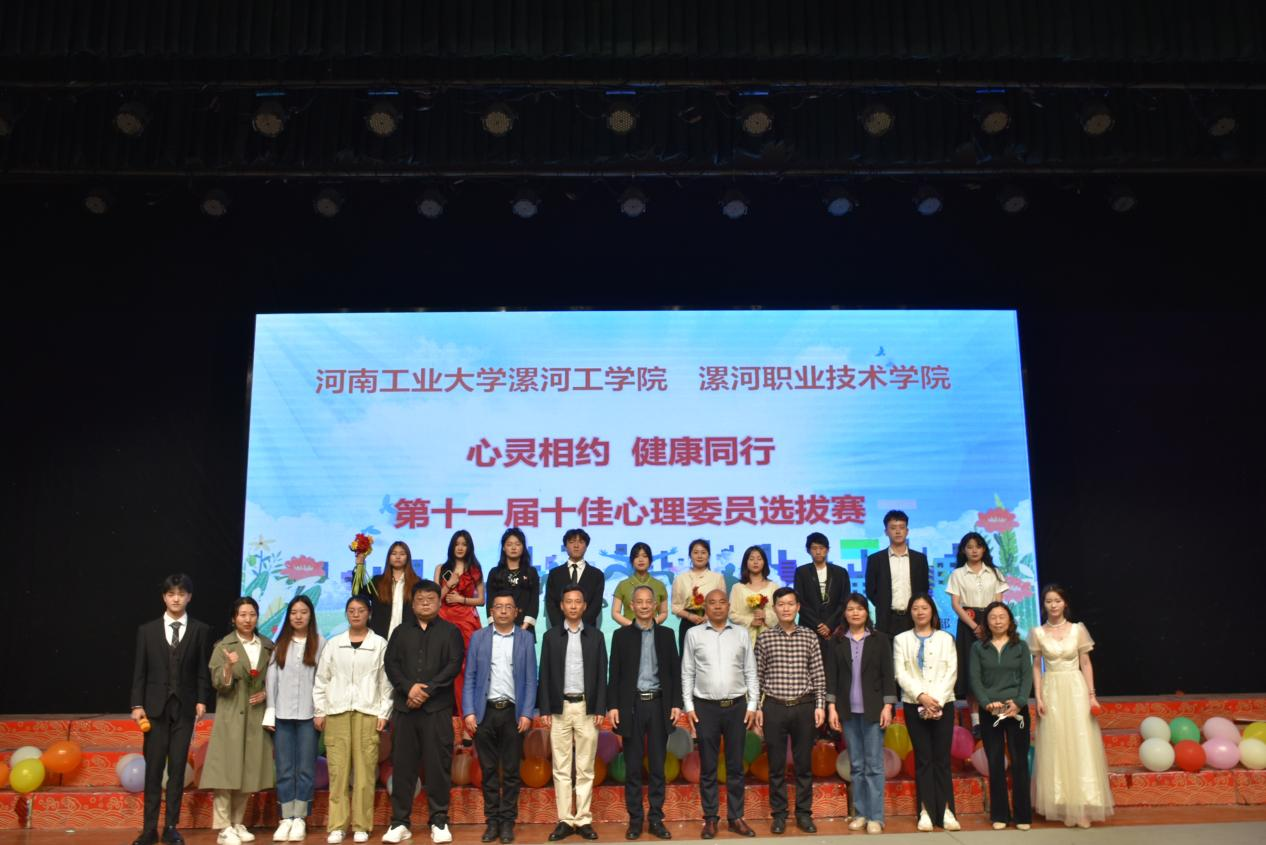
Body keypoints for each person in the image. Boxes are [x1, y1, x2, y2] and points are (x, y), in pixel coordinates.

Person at [128, 574, 213, 845]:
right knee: (153, 769)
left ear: (189, 597)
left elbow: (202, 669)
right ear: (164, 597)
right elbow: (140, 671)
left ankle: (171, 827)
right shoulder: (147, 631)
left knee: (177, 769)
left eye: (181, 594)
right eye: (171, 594)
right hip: (154, 708)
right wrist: (137, 704)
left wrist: (202, 699)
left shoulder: (200, 630)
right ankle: (149, 829)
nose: (176, 598)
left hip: (185, 708)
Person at [383, 581, 466, 845]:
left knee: (437, 766)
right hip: (405, 709)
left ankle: (439, 821)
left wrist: (427, 690)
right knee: (403, 766)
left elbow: (453, 665)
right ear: (413, 603)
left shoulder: (450, 632)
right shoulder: (400, 632)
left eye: (431, 598)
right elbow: (390, 664)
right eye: (420, 598)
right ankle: (400, 822)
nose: (426, 602)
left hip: (436, 710)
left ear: (439, 602)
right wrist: (409, 688)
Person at [1029, 584, 1113, 829]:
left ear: (1064, 603)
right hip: (1052, 690)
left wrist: (1091, 695)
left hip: (1076, 690)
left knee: (1080, 743)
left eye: (1057, 600)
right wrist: (1038, 697)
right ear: (1043, 605)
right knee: (1056, 744)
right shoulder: (1037, 633)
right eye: (1048, 601)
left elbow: (1085, 663)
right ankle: (1063, 804)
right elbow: (1036, 667)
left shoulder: (1078, 630)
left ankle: (1084, 805)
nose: (1053, 605)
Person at [681, 589, 759, 840]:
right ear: (705, 607)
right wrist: (689, 706)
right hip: (705, 708)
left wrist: (752, 704)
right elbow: (687, 671)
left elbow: (750, 670)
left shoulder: (741, 633)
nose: (717, 607)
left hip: (737, 707)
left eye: (721, 602)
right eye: (712, 603)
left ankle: (736, 817)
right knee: (708, 766)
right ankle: (711, 818)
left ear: (728, 606)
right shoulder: (693, 634)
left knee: (736, 766)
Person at [314, 596, 392, 845]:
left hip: (367, 712)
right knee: (338, 772)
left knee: (365, 772)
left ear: (369, 613)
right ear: (346, 614)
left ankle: (361, 825)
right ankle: (337, 825)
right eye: (351, 610)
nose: (356, 614)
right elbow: (322, 679)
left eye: (361, 610)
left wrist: (384, 713)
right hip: (337, 712)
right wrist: (320, 710)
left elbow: (386, 682)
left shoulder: (379, 644)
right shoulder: (334, 644)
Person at [606, 583, 682, 840]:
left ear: (656, 605)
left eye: (649, 601)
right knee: (633, 767)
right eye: (639, 602)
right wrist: (613, 706)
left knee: (658, 767)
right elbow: (614, 674)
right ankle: (635, 820)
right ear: (631, 606)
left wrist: (676, 703)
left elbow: (674, 672)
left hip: (659, 705)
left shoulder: (667, 635)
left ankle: (656, 819)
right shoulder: (621, 636)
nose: (645, 606)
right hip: (632, 706)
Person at [463, 592, 539, 845]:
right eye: (498, 607)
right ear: (491, 612)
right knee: (488, 771)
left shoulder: (525, 639)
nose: (503, 611)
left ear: (516, 612)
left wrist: (527, 712)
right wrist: (469, 711)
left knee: (511, 771)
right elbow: (470, 676)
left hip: (512, 713)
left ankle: (508, 822)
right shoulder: (479, 637)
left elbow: (531, 679)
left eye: (508, 607)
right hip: (484, 713)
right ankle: (492, 821)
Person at [202, 598, 276, 845]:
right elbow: (218, 684)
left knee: (249, 769)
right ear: (234, 618)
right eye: (242, 615)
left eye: (252, 614)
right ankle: (223, 826)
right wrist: (228, 666)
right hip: (231, 714)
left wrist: (266, 693)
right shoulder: (224, 645)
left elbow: (275, 678)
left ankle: (237, 822)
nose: (247, 619)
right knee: (226, 769)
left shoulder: (267, 646)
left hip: (256, 715)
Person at [753, 588, 826, 835]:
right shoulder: (765, 638)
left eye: (790, 604)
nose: (786, 608)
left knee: (804, 765)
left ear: (798, 607)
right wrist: (757, 707)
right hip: (774, 707)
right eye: (781, 604)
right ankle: (779, 815)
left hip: (804, 706)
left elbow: (818, 674)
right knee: (776, 766)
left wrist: (820, 706)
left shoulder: (809, 636)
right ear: (774, 608)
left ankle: (804, 814)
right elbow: (757, 676)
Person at [538, 585, 608, 842]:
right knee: (561, 767)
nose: (574, 605)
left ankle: (584, 819)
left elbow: (602, 674)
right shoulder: (550, 636)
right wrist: (545, 707)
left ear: (585, 606)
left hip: (587, 708)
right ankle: (565, 820)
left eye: (578, 601)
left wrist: (600, 707)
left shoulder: (596, 636)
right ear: (561, 606)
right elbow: (544, 673)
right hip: (560, 709)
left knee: (586, 767)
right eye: (569, 601)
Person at [827, 593, 897, 835]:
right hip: (847, 711)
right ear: (844, 613)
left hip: (874, 711)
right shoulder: (837, 641)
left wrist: (888, 706)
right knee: (856, 765)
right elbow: (832, 677)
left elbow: (888, 675)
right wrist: (831, 707)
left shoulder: (880, 639)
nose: (855, 613)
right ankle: (860, 813)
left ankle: (876, 817)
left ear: (867, 612)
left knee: (874, 766)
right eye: (850, 609)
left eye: (859, 608)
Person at [893, 594, 958, 832]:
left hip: (943, 703)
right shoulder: (901, 639)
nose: (920, 612)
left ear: (932, 611)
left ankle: (947, 811)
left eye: (924, 608)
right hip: (914, 704)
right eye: (915, 608)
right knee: (923, 759)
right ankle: (925, 811)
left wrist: (936, 700)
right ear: (910, 612)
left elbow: (951, 671)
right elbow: (900, 673)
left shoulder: (945, 638)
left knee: (942, 759)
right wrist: (921, 696)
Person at [263, 595, 325, 842]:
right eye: (294, 612)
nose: (298, 616)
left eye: (303, 612)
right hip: (283, 715)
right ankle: (285, 817)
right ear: (288, 617)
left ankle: (300, 818)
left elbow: (323, 680)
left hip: (309, 716)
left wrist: (321, 711)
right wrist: (271, 711)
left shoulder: (320, 643)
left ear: (311, 615)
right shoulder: (281, 644)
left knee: (306, 769)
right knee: (285, 768)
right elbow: (272, 680)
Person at [969, 601, 1032, 831]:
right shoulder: (978, 648)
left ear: (1010, 621)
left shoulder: (1020, 646)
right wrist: (986, 703)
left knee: (1019, 762)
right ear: (986, 622)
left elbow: (1027, 677)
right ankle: (1000, 814)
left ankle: (1023, 815)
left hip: (1016, 710)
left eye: (1002, 617)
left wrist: (1019, 702)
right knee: (995, 762)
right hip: (990, 711)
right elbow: (975, 678)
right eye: (993, 617)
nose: (997, 621)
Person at [946, 532, 1007, 736]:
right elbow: (956, 604)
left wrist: (990, 625)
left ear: (984, 549)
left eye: (978, 546)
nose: (974, 550)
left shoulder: (995, 573)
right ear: (963, 550)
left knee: (992, 670)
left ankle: (996, 715)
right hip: (967, 624)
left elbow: (999, 603)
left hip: (993, 622)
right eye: (969, 547)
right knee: (970, 671)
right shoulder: (957, 574)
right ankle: (976, 722)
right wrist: (974, 626)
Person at [436, 529, 485, 720]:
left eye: (464, 544)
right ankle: (446, 712)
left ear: (469, 547)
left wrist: (461, 599)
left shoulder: (475, 570)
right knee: (443, 664)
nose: (460, 547)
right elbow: (435, 599)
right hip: (444, 619)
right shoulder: (441, 568)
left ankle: (467, 713)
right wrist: (449, 584)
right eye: (457, 544)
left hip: (466, 621)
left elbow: (481, 600)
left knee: (466, 666)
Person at [865, 511, 930, 638]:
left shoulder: (920, 559)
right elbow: (870, 590)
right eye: (893, 528)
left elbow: (924, 588)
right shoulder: (875, 559)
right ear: (886, 532)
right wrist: (884, 605)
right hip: (887, 619)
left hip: (913, 618)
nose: (898, 531)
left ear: (907, 531)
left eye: (901, 527)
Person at [792, 533, 847, 660]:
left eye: (821, 548)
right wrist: (819, 625)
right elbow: (800, 602)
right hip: (809, 628)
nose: (818, 552)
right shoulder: (801, 572)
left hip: (835, 629)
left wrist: (829, 625)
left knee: (834, 663)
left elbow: (844, 602)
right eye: (814, 548)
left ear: (827, 550)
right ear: (808, 550)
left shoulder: (840, 572)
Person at [670, 539, 725, 654]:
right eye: (695, 552)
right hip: (688, 623)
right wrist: (689, 616)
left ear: (709, 555)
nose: (699, 556)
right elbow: (675, 606)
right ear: (690, 555)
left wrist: (708, 616)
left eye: (703, 552)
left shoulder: (717, 578)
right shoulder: (680, 578)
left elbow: (723, 603)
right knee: (687, 659)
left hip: (711, 622)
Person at [544, 528, 606, 630]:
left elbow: (596, 605)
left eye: (581, 542)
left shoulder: (597, 575)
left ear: (586, 546)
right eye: (572, 542)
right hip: (560, 632)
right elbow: (551, 604)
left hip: (587, 631)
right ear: (565, 546)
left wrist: (579, 627)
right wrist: (562, 628)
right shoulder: (554, 574)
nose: (576, 546)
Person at [486, 528, 541, 638]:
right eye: (509, 544)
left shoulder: (531, 572)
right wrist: (496, 627)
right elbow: (490, 602)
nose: (513, 548)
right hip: (499, 630)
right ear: (503, 548)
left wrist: (523, 628)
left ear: (523, 547)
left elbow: (534, 602)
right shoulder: (494, 573)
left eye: (517, 544)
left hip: (525, 630)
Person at [366, 541, 420, 642]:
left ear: (407, 558)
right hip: (380, 637)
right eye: (394, 553)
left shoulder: (416, 582)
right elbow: (358, 594)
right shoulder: (377, 581)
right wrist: (359, 565)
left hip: (407, 637)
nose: (398, 557)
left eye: (402, 554)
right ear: (389, 557)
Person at [727, 546, 778, 644]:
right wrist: (750, 621)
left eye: (759, 559)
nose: (755, 562)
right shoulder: (737, 588)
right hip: (743, 638)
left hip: (769, 639)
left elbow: (780, 614)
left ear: (764, 562)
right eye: (751, 559)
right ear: (746, 562)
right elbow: (731, 614)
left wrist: (765, 615)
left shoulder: (774, 587)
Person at [611, 542, 668, 627]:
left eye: (645, 556)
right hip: (629, 631)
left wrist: (653, 623)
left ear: (650, 560)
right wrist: (633, 626)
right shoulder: (622, 585)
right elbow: (615, 613)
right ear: (631, 561)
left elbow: (664, 612)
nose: (641, 560)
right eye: (636, 556)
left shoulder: (659, 585)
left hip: (652, 631)